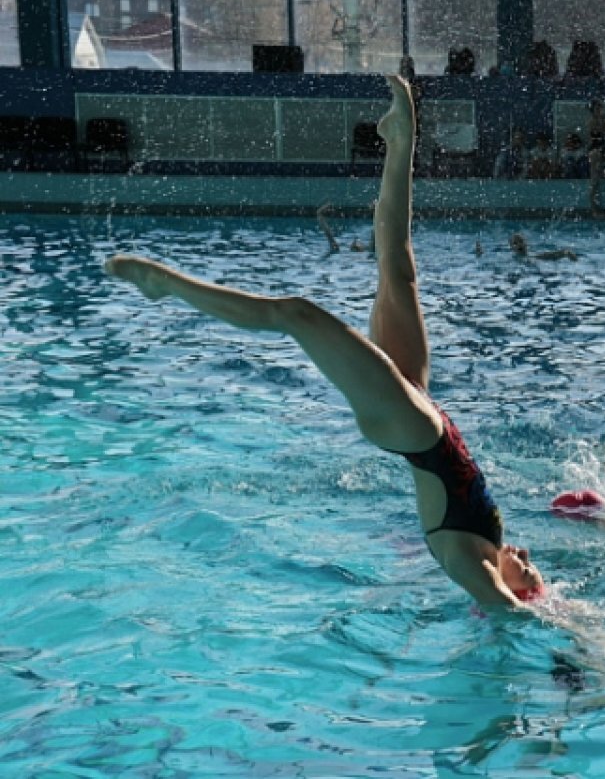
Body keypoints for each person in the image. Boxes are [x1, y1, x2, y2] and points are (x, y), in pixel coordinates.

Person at [105, 76, 546, 609]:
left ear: (520, 590)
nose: (523, 555)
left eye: (527, 571)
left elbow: (514, 617)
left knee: (298, 314)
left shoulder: (471, 565)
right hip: (423, 411)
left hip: (410, 429)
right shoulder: (491, 545)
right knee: (397, 264)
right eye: (531, 562)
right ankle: (401, 137)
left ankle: (165, 285)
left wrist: (582, 656)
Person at [509, 232, 578, 261]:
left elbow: (548, 255)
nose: (519, 244)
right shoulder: (511, 261)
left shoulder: (535, 256)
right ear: (511, 248)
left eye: (521, 241)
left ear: (526, 244)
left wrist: (565, 253)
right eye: (515, 243)